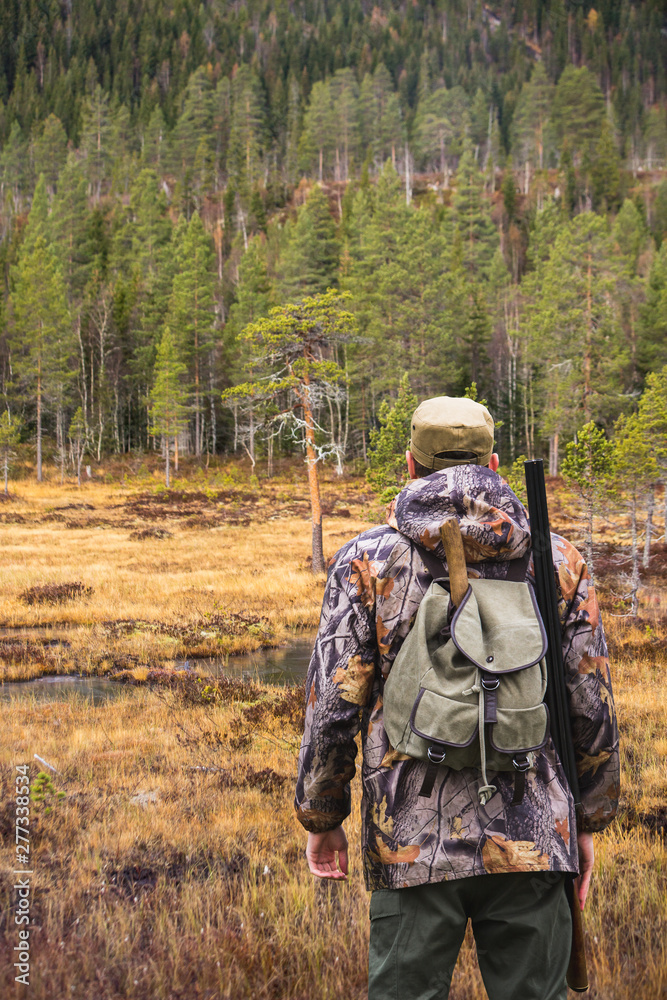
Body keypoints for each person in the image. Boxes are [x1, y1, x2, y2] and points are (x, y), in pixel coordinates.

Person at [294, 395, 619, 1000]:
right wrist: (587, 818)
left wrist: (322, 815)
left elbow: (334, 704)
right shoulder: (557, 559)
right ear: (493, 463)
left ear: (412, 467)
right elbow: (591, 702)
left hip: (408, 841)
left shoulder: (368, 560)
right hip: (534, 832)